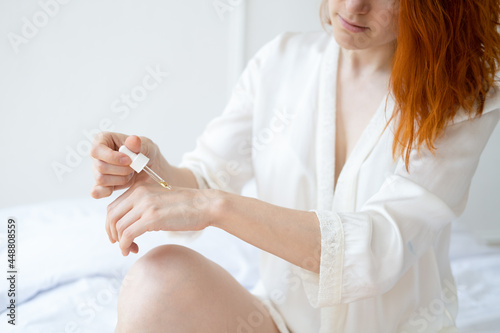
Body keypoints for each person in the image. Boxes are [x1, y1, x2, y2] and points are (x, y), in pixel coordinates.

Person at [90, 0, 500, 332]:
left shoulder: (463, 96)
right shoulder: (280, 62)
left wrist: (214, 206)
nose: (355, 7)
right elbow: (205, 178)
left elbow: (376, 251)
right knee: (155, 280)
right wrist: (156, 170)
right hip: (282, 324)